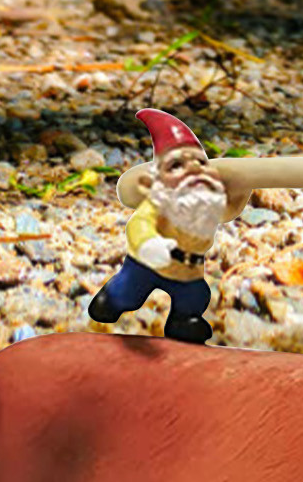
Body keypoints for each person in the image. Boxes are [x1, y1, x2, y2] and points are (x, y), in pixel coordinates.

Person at [86, 109, 229, 340]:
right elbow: (139, 223)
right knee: (128, 293)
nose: (194, 168)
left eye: (201, 162)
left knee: (196, 296)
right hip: (148, 265)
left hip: (188, 271)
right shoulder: (159, 203)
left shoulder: (208, 203)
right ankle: (109, 300)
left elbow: (228, 209)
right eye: (176, 166)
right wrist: (148, 243)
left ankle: (183, 321)